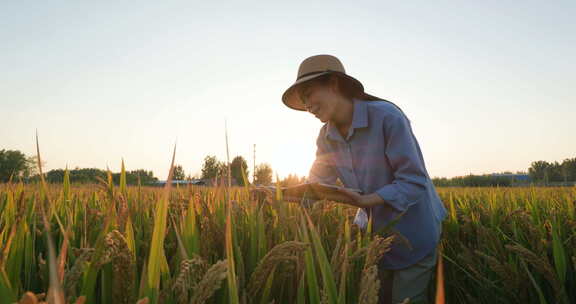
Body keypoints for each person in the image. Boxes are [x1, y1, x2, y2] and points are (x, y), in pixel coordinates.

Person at [281, 54, 447, 304]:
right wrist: (279, 195)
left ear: (334, 83)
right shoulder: (325, 137)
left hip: (415, 232)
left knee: (406, 300)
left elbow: (414, 181)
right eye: (303, 101)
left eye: (309, 94)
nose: (308, 106)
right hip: (375, 237)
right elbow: (316, 186)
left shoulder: (387, 117)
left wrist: (369, 200)